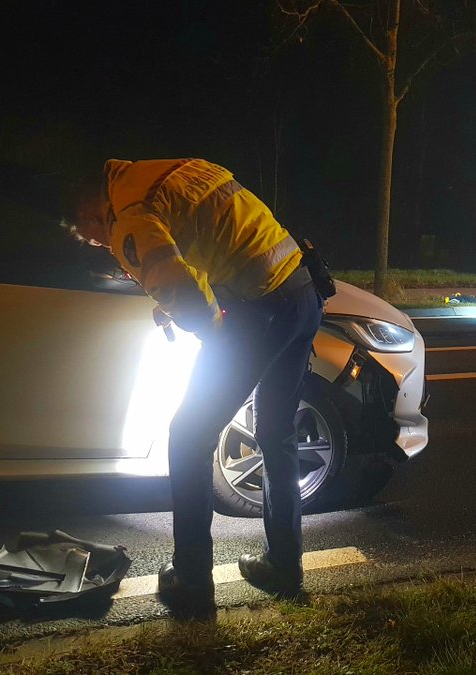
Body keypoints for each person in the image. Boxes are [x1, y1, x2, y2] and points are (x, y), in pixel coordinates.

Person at [63, 158, 323, 619]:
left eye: (90, 237)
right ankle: (284, 566)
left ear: (89, 213)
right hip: (303, 293)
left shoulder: (130, 215)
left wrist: (211, 333)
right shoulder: (174, 172)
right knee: (276, 433)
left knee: (188, 437)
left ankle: (192, 581)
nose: (99, 244)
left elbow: (182, 290)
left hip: (259, 307)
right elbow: (205, 246)